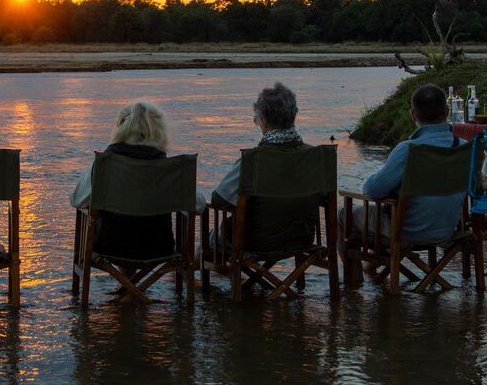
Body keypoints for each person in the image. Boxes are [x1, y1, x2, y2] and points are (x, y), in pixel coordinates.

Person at [339, 83, 466, 259]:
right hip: (447, 230)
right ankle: (375, 271)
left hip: (407, 232)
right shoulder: (463, 148)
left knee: (344, 215)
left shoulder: (407, 150)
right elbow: (474, 190)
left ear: (413, 114)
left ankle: (354, 282)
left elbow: (372, 191)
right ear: (447, 111)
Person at [71, 101, 203, 259]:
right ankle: (130, 283)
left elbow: (76, 199)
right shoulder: (168, 169)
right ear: (159, 130)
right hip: (159, 248)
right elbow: (199, 205)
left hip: (110, 247)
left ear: (120, 127)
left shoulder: (105, 165)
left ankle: (126, 283)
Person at [211, 82, 320, 251]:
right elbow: (322, 197)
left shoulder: (253, 160)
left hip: (254, 242)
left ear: (264, 121)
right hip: (301, 240)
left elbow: (218, 201)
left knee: (206, 245)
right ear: (293, 116)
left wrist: (245, 203)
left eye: (257, 119)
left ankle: (222, 276)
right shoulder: (315, 155)